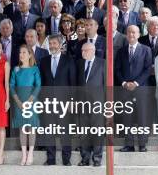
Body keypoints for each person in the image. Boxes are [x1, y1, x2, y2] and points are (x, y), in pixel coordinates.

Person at [39, 35, 76, 166]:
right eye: (51, 43)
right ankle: (50, 159)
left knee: (65, 131)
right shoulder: (43, 61)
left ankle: (66, 159)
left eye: (55, 43)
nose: (52, 46)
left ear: (60, 45)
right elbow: (41, 83)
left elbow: (72, 82)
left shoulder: (69, 60)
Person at [115, 25, 153, 152]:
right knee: (127, 117)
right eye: (129, 32)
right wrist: (125, 83)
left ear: (138, 34)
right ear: (126, 34)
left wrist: (136, 83)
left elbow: (148, 69)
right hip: (125, 89)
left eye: (134, 32)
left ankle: (142, 144)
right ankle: (129, 144)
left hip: (141, 88)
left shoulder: (146, 50)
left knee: (142, 117)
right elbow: (117, 70)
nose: (131, 34)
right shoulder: (121, 51)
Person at [9, 45, 42, 166]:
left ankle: (31, 153)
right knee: (22, 129)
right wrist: (18, 101)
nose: (21, 54)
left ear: (29, 55)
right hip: (19, 101)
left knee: (31, 128)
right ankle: (24, 154)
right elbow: (11, 86)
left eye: (24, 52)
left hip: (32, 102)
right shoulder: (16, 69)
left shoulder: (35, 69)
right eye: (20, 52)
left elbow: (38, 85)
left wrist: (30, 101)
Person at [77, 42, 105, 166]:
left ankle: (97, 158)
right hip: (82, 103)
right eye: (82, 50)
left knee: (97, 132)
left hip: (97, 103)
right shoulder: (79, 63)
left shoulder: (102, 63)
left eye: (85, 50)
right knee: (83, 132)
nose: (83, 53)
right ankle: (85, 158)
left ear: (93, 51)